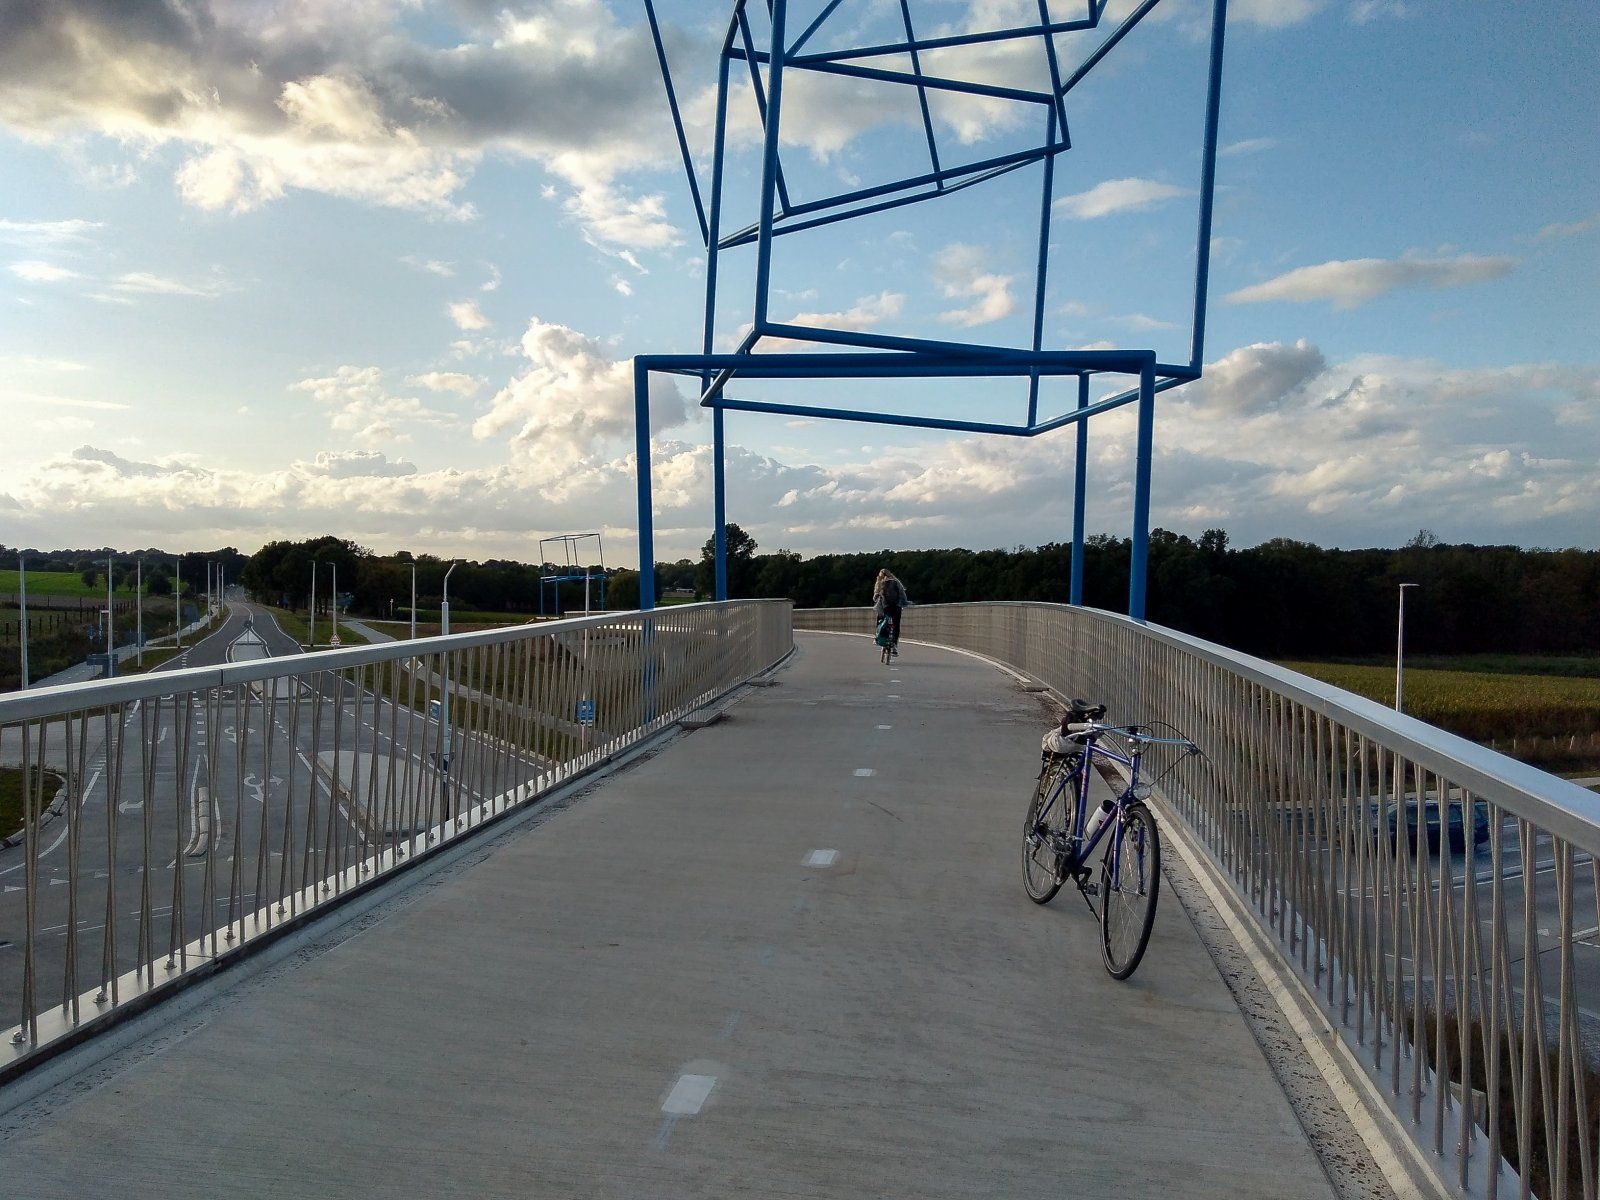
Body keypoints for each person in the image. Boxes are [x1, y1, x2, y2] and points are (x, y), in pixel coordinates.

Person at [872, 568, 909, 655]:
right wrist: (904, 603)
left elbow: (874, 598)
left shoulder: (880, 583)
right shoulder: (896, 581)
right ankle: (895, 646)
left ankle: (877, 638)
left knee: (880, 620)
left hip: (885, 607)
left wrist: (878, 597)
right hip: (896, 606)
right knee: (896, 625)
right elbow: (902, 593)